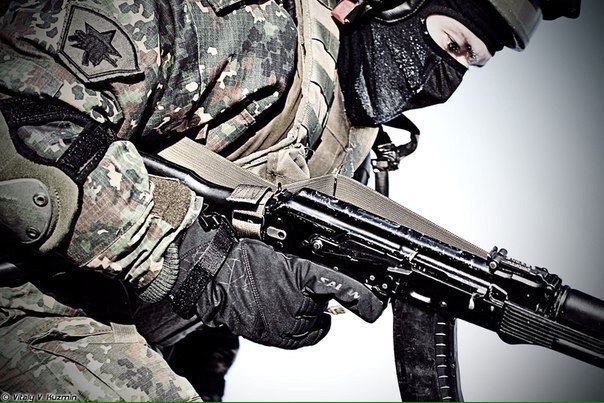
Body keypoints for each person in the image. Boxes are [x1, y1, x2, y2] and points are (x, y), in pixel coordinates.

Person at [0, 0, 580, 401]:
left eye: (470, 64)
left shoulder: (349, 157)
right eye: (450, 43)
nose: (441, 80)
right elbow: (23, 109)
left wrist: (203, 358)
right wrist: (201, 264)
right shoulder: (236, 27)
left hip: (86, 328)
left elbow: (218, 262)